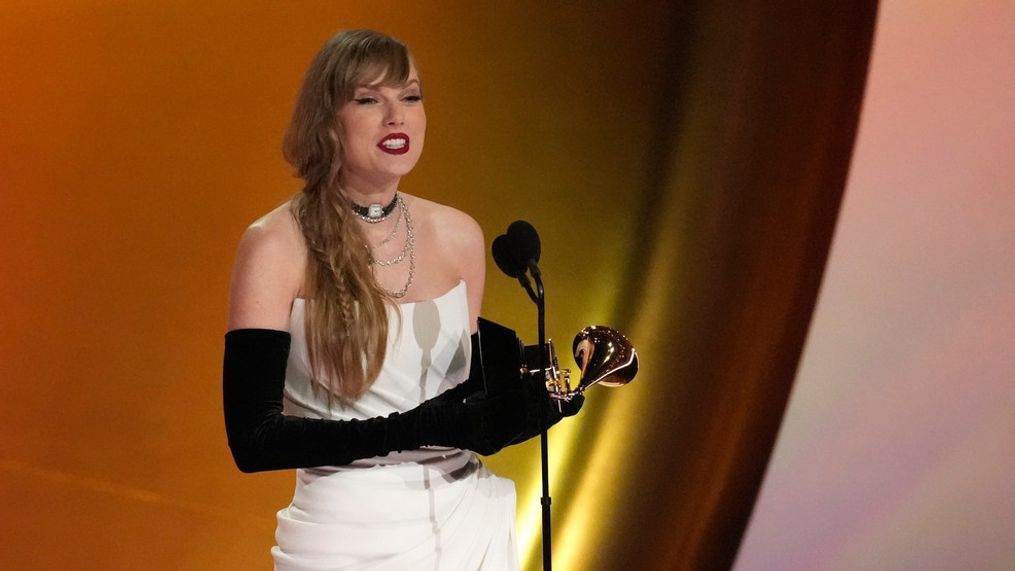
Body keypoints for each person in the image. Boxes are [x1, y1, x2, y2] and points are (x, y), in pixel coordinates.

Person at [222, 29, 580, 570]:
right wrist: (418, 428)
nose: (397, 116)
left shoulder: (459, 235)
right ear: (326, 120)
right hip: (346, 534)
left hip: (464, 523)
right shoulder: (275, 244)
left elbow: (463, 399)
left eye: (410, 96)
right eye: (369, 99)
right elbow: (254, 439)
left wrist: (520, 407)